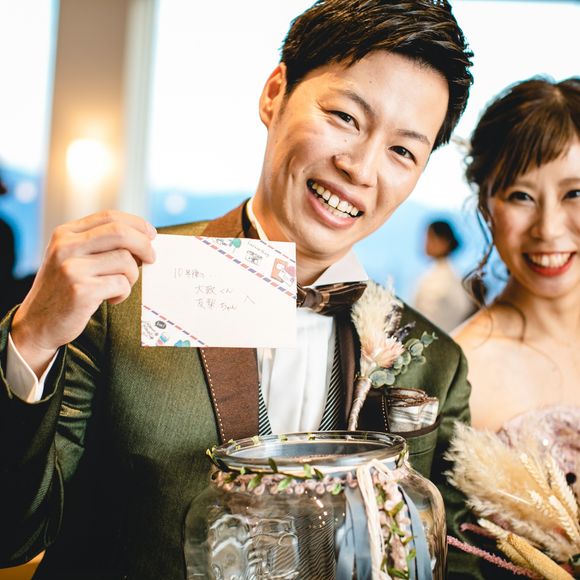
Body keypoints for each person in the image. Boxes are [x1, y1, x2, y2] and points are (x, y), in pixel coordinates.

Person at [0, 1, 479, 578]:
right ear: (274, 94)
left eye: (403, 150)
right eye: (345, 117)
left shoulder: (436, 363)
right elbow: (11, 534)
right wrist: (31, 339)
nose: (361, 168)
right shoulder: (126, 293)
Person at [452, 76, 580, 574]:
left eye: (575, 193)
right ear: (487, 205)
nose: (548, 228)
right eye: (521, 196)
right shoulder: (461, 371)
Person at [413, 218, 474, 331]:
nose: (425, 243)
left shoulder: (446, 276)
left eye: (430, 238)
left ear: (444, 242)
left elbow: (462, 307)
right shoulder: (439, 272)